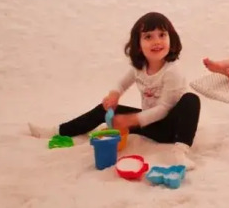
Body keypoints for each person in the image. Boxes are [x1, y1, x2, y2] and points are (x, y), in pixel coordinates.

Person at [28, 12, 201, 169]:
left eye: (162, 35)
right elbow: (121, 84)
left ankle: (180, 152)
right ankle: (58, 130)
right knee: (106, 109)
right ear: (138, 44)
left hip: (171, 129)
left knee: (191, 99)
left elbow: (163, 109)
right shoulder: (139, 67)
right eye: (148, 36)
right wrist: (114, 95)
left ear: (171, 39)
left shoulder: (172, 71)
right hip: (149, 125)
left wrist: (132, 119)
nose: (156, 41)